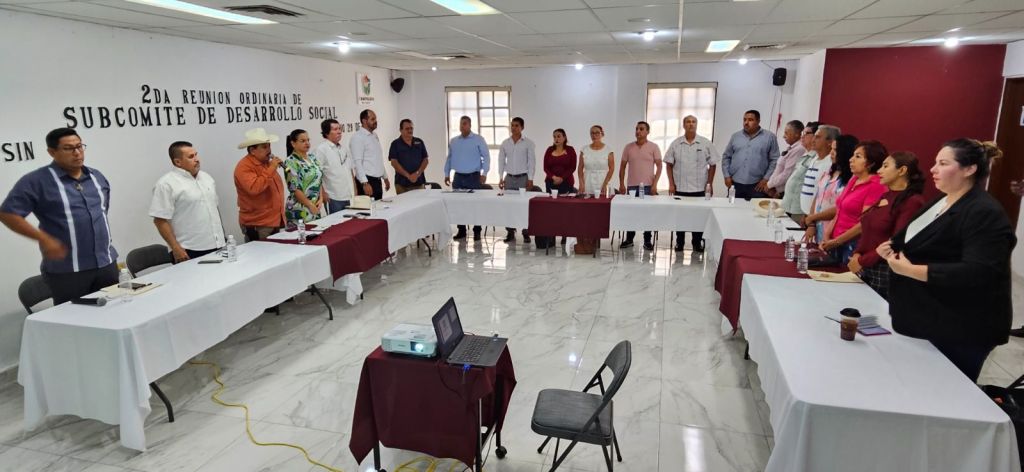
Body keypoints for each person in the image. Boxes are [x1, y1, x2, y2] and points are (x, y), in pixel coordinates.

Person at [880, 139, 1015, 382]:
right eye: (935, 162)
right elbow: (912, 238)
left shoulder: (984, 212)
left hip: (962, 325)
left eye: (943, 163)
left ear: (969, 169)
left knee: (944, 389)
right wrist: (891, 246)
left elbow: (979, 271)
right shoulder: (942, 200)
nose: (933, 169)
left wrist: (912, 271)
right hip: (928, 314)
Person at [0, 128, 119, 304]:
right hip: (68, 271)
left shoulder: (96, 177)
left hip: (106, 263)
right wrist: (44, 239)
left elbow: (101, 212)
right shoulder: (37, 181)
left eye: (79, 146)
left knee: (115, 310)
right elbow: (8, 213)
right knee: (74, 318)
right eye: (69, 148)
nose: (77, 152)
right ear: (52, 152)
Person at [848, 151, 925, 298]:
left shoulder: (912, 201)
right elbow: (867, 228)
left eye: (885, 166)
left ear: (902, 170)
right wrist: (857, 254)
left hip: (885, 271)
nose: (879, 171)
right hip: (866, 266)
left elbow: (896, 242)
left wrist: (862, 260)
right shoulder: (886, 195)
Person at [149, 141, 225, 263]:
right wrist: (176, 248)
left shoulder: (206, 178)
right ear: (177, 162)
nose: (197, 159)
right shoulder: (166, 184)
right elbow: (159, 220)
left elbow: (214, 208)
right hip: (189, 250)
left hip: (217, 244)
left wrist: (223, 237)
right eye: (191, 157)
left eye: (196, 154)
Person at [818, 140, 888, 264]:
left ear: (871, 163)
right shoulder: (854, 178)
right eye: (852, 155)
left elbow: (864, 223)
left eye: (858, 156)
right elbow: (839, 210)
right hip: (835, 241)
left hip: (853, 245)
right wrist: (826, 236)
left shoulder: (876, 185)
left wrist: (836, 241)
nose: (851, 160)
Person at [664, 115, 719, 252]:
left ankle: (697, 243)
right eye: (688, 122)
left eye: (693, 122)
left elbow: (713, 165)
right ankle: (680, 243)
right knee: (680, 217)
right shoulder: (676, 143)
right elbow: (669, 164)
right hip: (680, 188)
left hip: (699, 189)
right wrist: (671, 184)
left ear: (696, 125)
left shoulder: (705, 143)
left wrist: (709, 184)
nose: (691, 124)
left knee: (698, 217)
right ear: (683, 125)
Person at [804, 132, 856, 244]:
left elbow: (840, 208)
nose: (831, 153)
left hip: (834, 231)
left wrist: (813, 217)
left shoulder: (851, 179)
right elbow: (817, 196)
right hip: (818, 227)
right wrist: (812, 224)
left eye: (835, 150)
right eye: (831, 149)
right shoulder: (829, 171)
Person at [234, 128, 285, 242]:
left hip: (273, 221)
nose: (269, 150)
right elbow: (255, 188)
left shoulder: (266, 163)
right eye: (264, 147)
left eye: (269, 146)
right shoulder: (244, 167)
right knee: (260, 252)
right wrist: (272, 168)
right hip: (258, 224)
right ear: (252, 150)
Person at [618, 121, 663, 250]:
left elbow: (660, 166)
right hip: (632, 186)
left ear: (648, 132)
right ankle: (629, 239)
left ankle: (647, 241)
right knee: (631, 213)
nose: (638, 131)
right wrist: (621, 184)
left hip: (648, 186)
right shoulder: (628, 147)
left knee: (648, 214)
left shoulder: (654, 147)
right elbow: (622, 167)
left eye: (641, 129)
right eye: (637, 129)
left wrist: (655, 184)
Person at [444, 115, 490, 240]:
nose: (462, 126)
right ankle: (462, 230)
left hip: (473, 176)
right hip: (458, 177)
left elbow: (486, 156)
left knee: (475, 205)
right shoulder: (454, 141)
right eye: (461, 123)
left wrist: (484, 173)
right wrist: (446, 173)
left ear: (470, 125)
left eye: (464, 123)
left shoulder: (478, 139)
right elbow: (449, 158)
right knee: (459, 205)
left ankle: (477, 231)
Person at [721, 110, 780, 200]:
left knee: (756, 208)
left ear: (758, 121)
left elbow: (775, 160)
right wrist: (726, 176)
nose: (746, 122)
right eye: (744, 119)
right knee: (733, 207)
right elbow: (726, 157)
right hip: (735, 183)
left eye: (750, 120)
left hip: (758, 185)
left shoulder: (769, 137)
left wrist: (766, 179)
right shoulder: (735, 137)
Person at [498, 116, 536, 243]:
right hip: (509, 178)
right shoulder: (505, 143)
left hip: (522, 178)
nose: (513, 128)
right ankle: (510, 232)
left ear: (522, 127)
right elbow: (501, 161)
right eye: (512, 125)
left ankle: (526, 232)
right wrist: (500, 177)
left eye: (516, 126)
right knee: (509, 206)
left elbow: (531, 162)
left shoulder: (528, 143)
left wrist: (530, 178)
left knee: (524, 206)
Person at [780, 121, 819, 223]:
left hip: (800, 209)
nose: (802, 136)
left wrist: (807, 213)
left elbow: (815, 188)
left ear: (816, 136)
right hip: (789, 206)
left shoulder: (817, 159)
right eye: (802, 133)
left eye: (806, 133)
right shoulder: (805, 155)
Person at [315, 118, 356, 213]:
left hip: (350, 196)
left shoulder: (344, 148)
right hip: (333, 197)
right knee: (336, 222)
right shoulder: (321, 149)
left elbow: (350, 171)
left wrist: (355, 190)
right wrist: (323, 193)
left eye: (339, 128)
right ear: (326, 133)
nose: (339, 132)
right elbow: (317, 175)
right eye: (335, 129)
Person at [283, 129, 324, 224]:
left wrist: (321, 198)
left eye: (308, 140)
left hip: (315, 206)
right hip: (299, 208)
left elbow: (318, 180)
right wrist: (309, 205)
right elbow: (294, 188)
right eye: (303, 141)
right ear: (293, 143)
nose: (307, 143)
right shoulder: (290, 162)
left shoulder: (313, 158)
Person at [351, 109, 390, 200]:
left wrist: (385, 177)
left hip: (377, 181)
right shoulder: (358, 137)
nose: (375, 121)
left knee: (378, 207)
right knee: (368, 209)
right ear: (364, 121)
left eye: (375, 119)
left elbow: (377, 159)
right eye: (372, 119)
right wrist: (365, 183)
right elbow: (357, 163)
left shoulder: (374, 135)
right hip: (367, 181)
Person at [766, 120, 806, 198]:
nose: (784, 136)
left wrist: (769, 185)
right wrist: (771, 184)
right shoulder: (791, 148)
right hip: (778, 189)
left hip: (786, 191)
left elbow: (787, 173)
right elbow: (778, 169)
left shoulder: (799, 149)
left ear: (797, 134)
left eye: (786, 133)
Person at [389, 119, 429, 194]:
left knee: (420, 201)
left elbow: (425, 160)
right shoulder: (395, 144)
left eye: (411, 128)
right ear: (400, 130)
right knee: (403, 202)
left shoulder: (419, 142)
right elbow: (394, 163)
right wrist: (408, 176)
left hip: (419, 183)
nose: (410, 131)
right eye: (407, 129)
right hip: (401, 185)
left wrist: (417, 174)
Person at [578, 125, 614, 197]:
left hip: (603, 182)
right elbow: (580, 168)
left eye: (597, 133)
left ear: (602, 134)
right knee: (587, 202)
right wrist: (581, 183)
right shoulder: (584, 149)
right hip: (587, 182)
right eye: (592, 133)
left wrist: (605, 183)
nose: (594, 135)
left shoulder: (608, 150)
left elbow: (611, 168)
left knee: (603, 202)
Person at [543, 128, 577, 195]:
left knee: (565, 202)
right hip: (551, 182)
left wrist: (562, 178)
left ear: (564, 138)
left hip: (567, 182)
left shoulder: (570, 150)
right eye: (554, 137)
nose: (556, 139)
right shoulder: (549, 149)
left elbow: (572, 167)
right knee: (550, 201)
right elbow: (545, 167)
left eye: (558, 136)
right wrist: (554, 177)